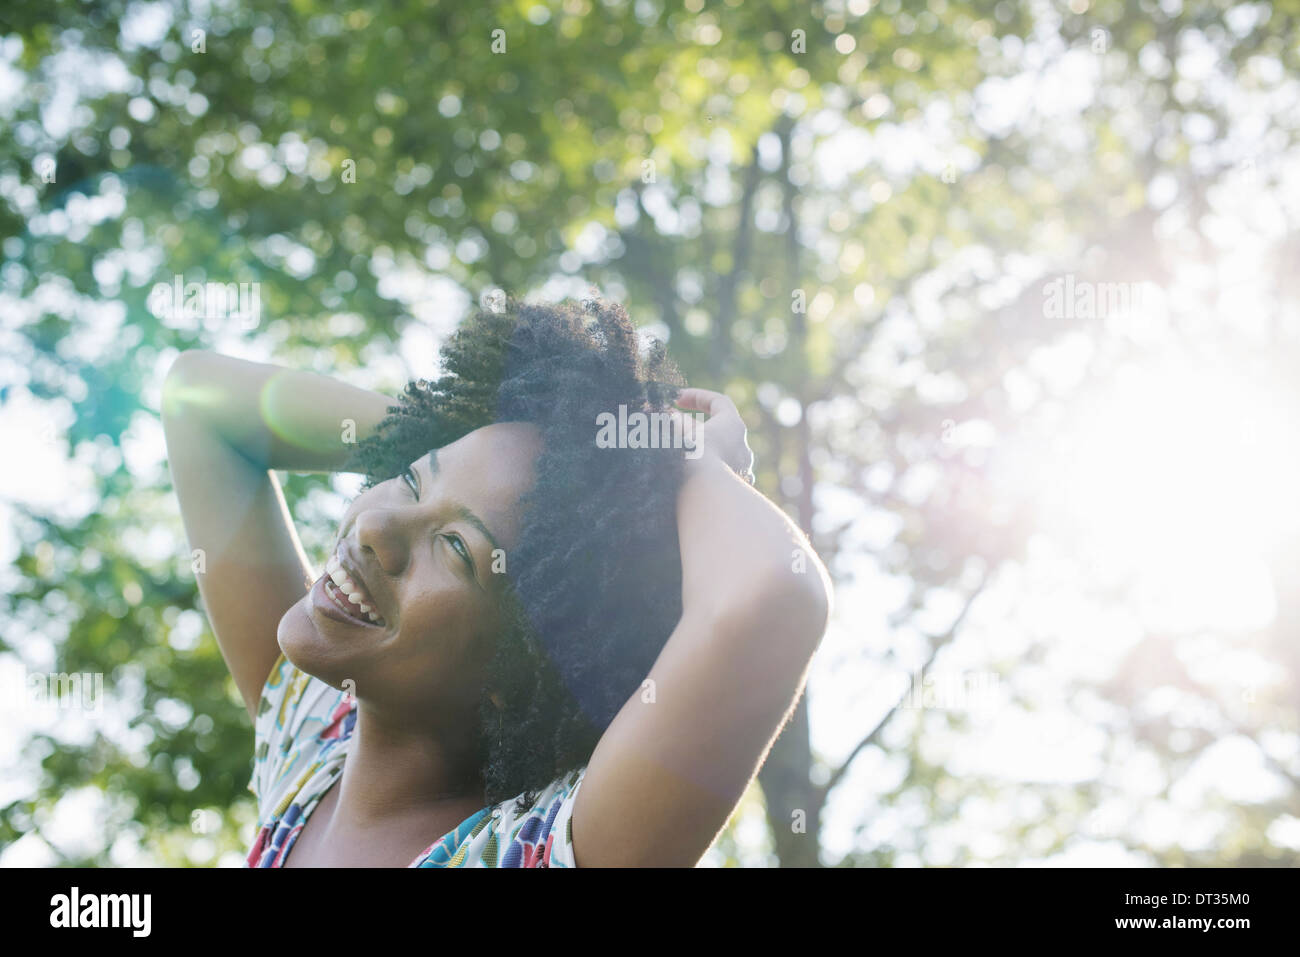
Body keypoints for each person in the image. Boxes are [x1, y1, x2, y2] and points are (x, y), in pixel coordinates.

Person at [161, 297, 831, 867]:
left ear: (521, 669)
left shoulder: (531, 845)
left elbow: (774, 595)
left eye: (455, 547)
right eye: (413, 475)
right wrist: (456, 429)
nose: (375, 530)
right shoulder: (309, 747)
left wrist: (678, 457)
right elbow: (199, 401)